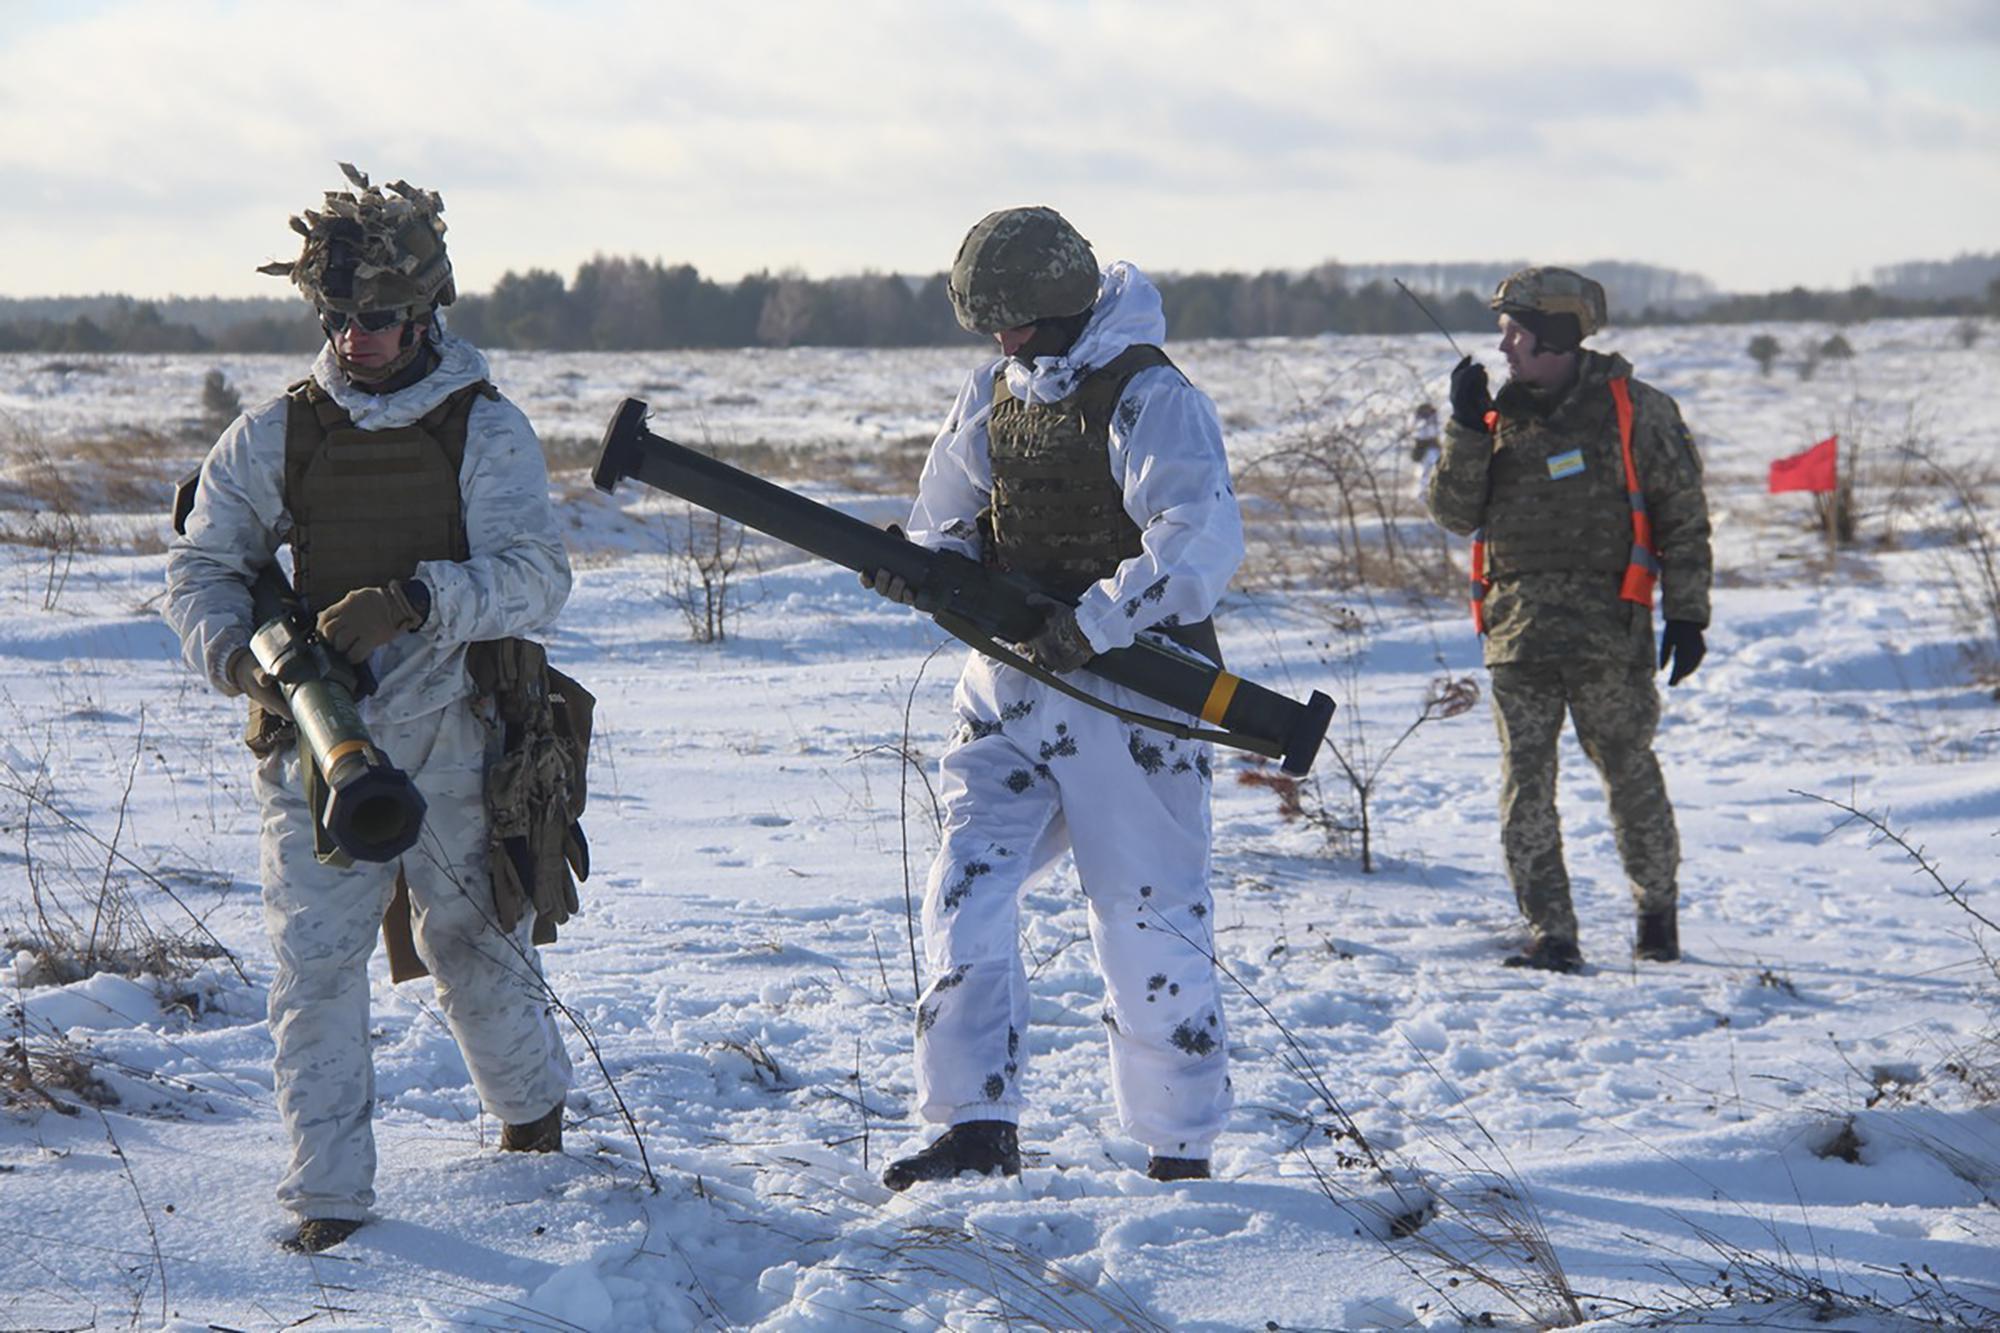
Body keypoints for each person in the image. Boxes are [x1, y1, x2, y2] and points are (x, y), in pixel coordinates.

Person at [164, 165, 574, 1253]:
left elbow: (539, 576)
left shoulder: (483, 431)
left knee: (475, 945)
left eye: (381, 321)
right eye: (338, 319)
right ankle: (330, 1201)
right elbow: (203, 569)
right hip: (313, 743)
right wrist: (249, 665)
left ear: (429, 311)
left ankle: (534, 1128)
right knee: (313, 972)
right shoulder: (273, 437)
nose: (358, 341)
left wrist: (421, 602)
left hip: (459, 731)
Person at [863, 207, 1242, 1187]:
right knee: (964, 890)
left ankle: (1177, 1146)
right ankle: (972, 1121)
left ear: (1066, 300)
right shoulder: (994, 392)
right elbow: (945, 521)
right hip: (1007, 690)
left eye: (1017, 319)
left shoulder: (1149, 398)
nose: (1002, 339)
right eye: (988, 321)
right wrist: (921, 570)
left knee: (1147, 917)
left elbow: (1194, 545)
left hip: (1134, 700)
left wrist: (1095, 620)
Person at [1424, 266, 1712, 973]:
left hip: (1610, 635)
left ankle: (1657, 917)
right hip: (1518, 635)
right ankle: (1551, 932)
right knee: (1526, 786)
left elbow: (1685, 516)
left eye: (1517, 333)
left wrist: (1690, 613)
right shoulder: (1494, 418)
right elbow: (1456, 513)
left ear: (1557, 334)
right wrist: (1462, 426)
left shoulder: (1637, 410)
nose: (1506, 349)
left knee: (1630, 773)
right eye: (1503, 334)